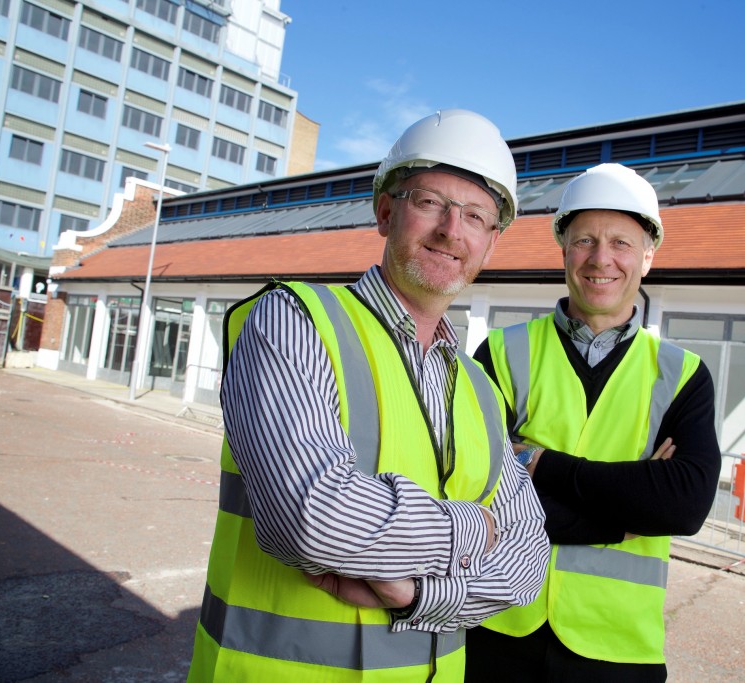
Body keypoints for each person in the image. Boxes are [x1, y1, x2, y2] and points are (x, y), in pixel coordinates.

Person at [187, 110, 550, 682]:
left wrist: (413, 594)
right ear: (386, 212)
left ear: (491, 243)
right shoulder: (295, 321)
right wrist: (474, 529)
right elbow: (311, 518)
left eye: (475, 216)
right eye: (430, 202)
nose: (452, 230)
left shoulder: (480, 389)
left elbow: (527, 563)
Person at [466, 163, 721, 682]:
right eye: (585, 240)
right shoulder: (503, 352)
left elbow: (682, 504)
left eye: (621, 244)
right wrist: (619, 517)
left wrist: (541, 463)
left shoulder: (682, 374)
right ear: (564, 251)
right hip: (494, 629)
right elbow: (475, 490)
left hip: (618, 651)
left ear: (647, 257)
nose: (601, 259)